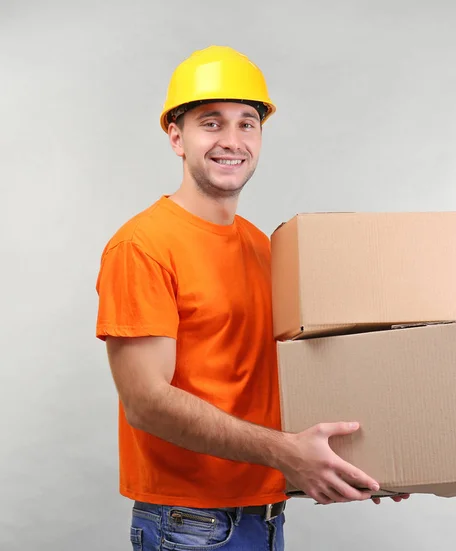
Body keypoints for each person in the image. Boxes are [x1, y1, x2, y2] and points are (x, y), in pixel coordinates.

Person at [95, 45, 409, 551]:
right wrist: (286, 452)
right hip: (190, 526)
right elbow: (146, 403)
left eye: (248, 123)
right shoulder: (142, 246)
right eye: (211, 123)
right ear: (176, 137)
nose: (233, 141)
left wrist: (370, 460)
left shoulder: (262, 245)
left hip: (264, 513)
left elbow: (275, 379)